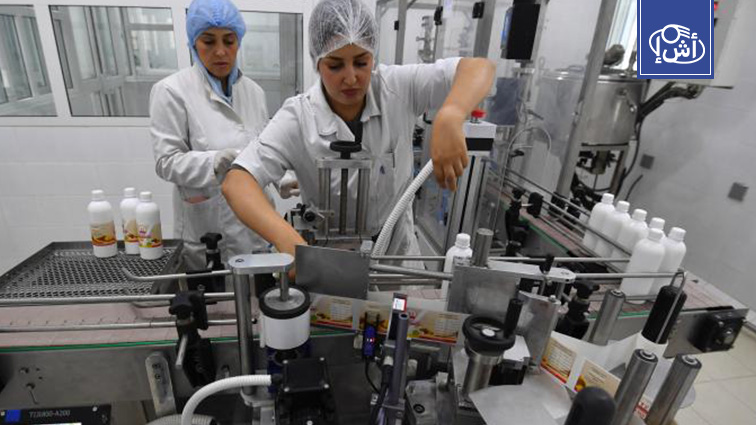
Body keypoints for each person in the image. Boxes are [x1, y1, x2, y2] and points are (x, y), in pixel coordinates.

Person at [223, 0, 495, 274]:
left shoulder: (398, 88)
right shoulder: (297, 117)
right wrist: (286, 239)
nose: (351, 78)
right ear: (317, 63)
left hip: (396, 259)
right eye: (335, 66)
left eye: (361, 62)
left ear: (373, 57)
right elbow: (237, 181)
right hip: (328, 263)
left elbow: (479, 67)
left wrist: (451, 114)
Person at [150, 0, 283, 270]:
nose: (221, 51)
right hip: (208, 228)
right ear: (193, 43)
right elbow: (166, 162)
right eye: (209, 41)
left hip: (255, 223)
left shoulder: (254, 92)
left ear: (239, 41)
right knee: (214, 292)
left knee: (258, 290)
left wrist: (281, 178)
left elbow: (262, 149)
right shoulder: (172, 91)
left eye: (229, 41)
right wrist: (213, 162)